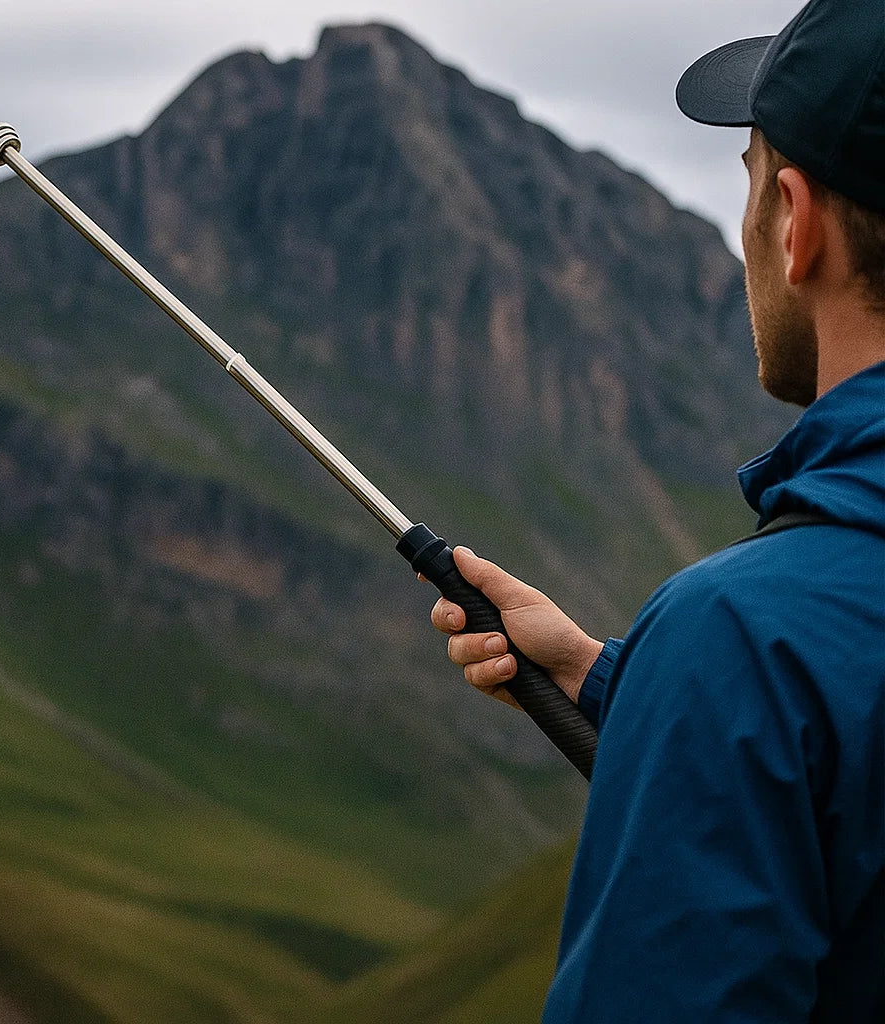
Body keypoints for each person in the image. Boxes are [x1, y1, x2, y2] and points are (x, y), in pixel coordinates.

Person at [431, 1, 885, 1020]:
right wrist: (617, 686)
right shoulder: (744, 660)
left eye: (751, 185)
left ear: (796, 223)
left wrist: (707, 691)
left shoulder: (743, 640)